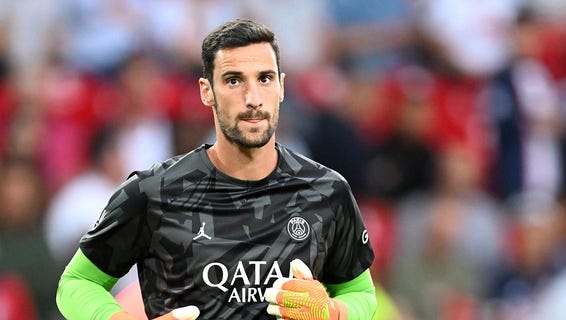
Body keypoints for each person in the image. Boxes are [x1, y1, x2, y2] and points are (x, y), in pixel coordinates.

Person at [55, 19, 377, 320]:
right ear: (206, 91)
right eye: (234, 80)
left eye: (264, 79)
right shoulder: (153, 192)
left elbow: (360, 293)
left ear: (280, 87)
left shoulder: (326, 190)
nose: (253, 98)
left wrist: (332, 311)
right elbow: (76, 283)